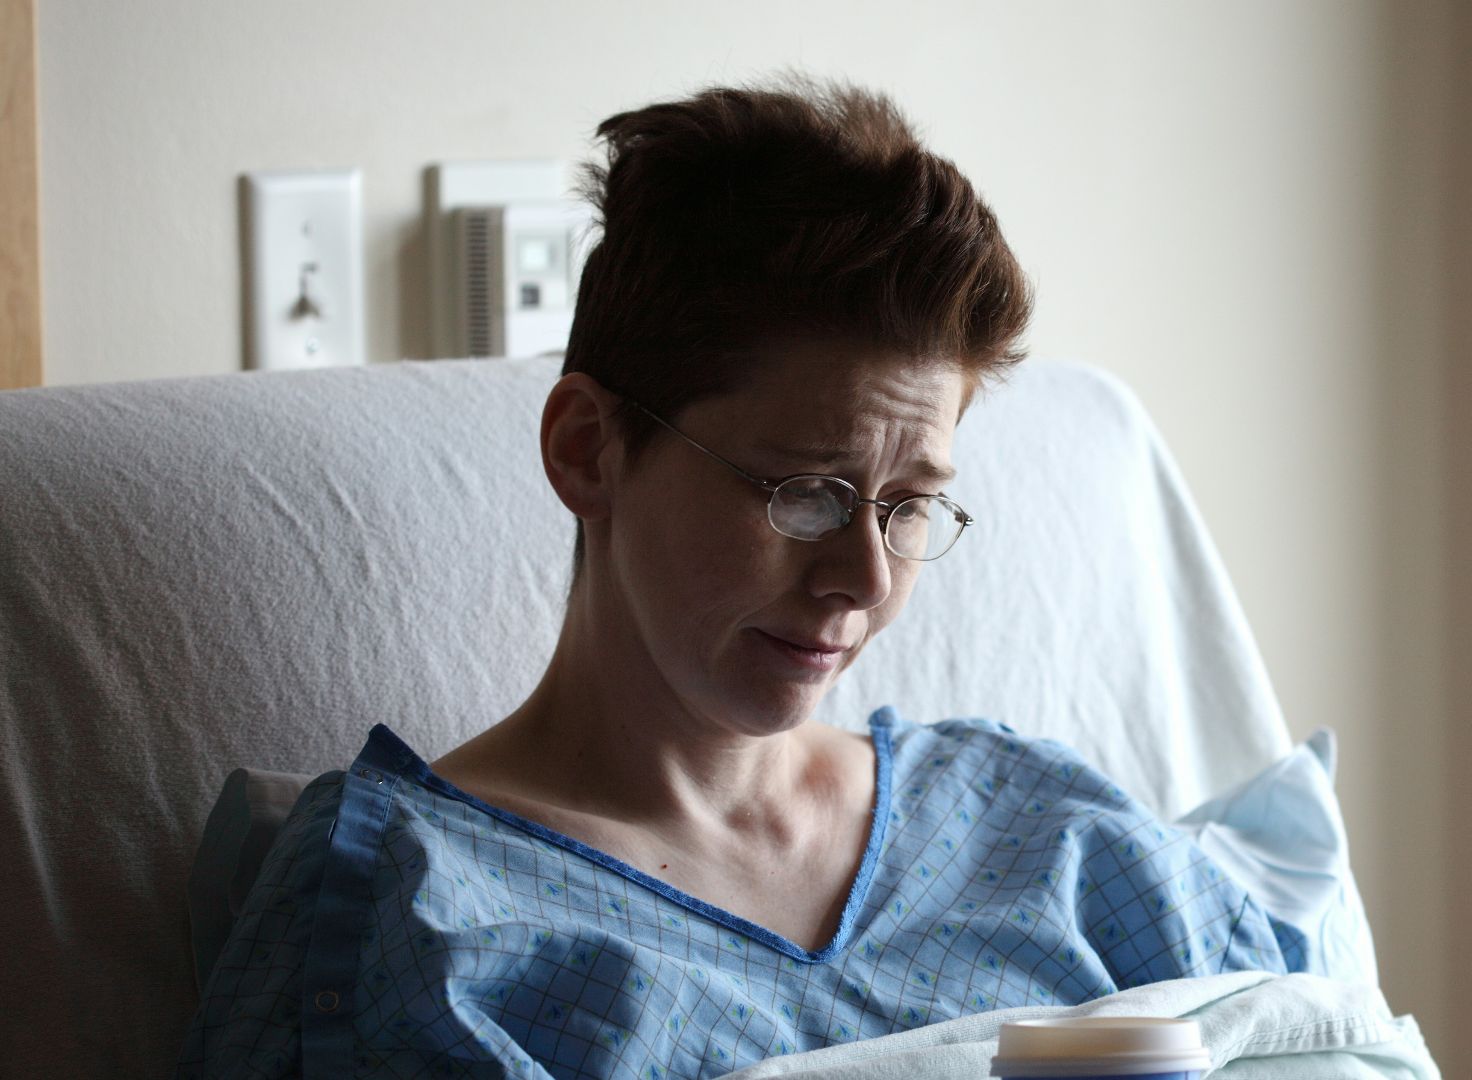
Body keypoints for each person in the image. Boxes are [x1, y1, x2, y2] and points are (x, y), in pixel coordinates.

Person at [178, 77, 1304, 1079]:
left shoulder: (1048, 837)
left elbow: (1336, 1052)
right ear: (587, 450)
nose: (862, 578)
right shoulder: (410, 917)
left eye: (911, 505)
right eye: (802, 492)